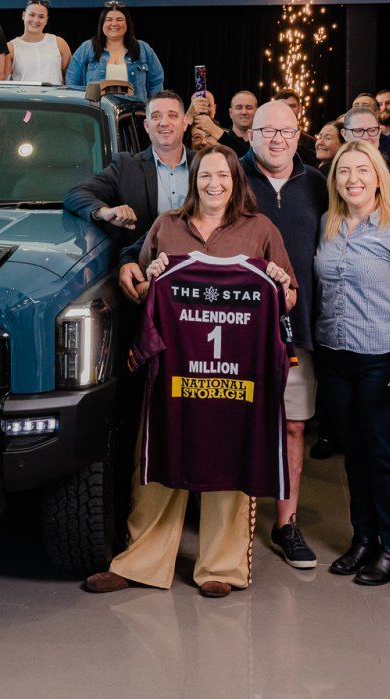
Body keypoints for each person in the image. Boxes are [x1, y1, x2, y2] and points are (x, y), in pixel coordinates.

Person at [88, 144, 295, 598]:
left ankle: (221, 566)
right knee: (159, 460)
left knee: (231, 461)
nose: (213, 184)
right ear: (192, 181)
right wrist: (150, 274)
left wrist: (280, 287)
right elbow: (143, 291)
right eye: (205, 176)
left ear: (236, 181)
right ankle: (140, 562)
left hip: (237, 379)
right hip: (174, 374)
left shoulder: (260, 229)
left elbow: (288, 296)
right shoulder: (167, 225)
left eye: (223, 175)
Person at [313, 141, 390, 585]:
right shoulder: (328, 224)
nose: (353, 179)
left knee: (385, 455)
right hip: (334, 357)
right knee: (354, 454)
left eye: (363, 170)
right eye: (344, 171)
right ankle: (363, 539)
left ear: (379, 177)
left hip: (383, 360)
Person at [238, 100, 330, 569]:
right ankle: (232, 523)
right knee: (240, 422)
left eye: (287, 131)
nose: (277, 140)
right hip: (238, 328)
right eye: (267, 131)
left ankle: (286, 523)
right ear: (249, 134)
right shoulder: (229, 177)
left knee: (293, 424)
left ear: (299, 135)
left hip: (299, 326)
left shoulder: (317, 183)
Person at [65, 90, 190, 245]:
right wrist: (105, 212)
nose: (164, 122)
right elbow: (75, 194)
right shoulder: (126, 166)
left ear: (185, 123)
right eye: (156, 116)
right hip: (146, 258)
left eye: (172, 115)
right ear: (146, 125)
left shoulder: (204, 164)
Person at [64, 3, 164, 101]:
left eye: (119, 20)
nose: (114, 24)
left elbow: (156, 83)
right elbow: (72, 83)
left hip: (136, 110)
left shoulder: (143, 49)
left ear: (127, 24)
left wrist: (153, 108)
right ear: (102, 24)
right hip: (96, 110)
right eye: (109, 20)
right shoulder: (86, 48)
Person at [6, 0, 72, 84]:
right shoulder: (11, 47)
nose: (36, 20)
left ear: (46, 20)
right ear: (23, 15)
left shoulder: (59, 43)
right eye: (32, 15)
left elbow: (71, 79)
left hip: (55, 93)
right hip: (23, 93)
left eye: (41, 17)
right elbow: (5, 83)